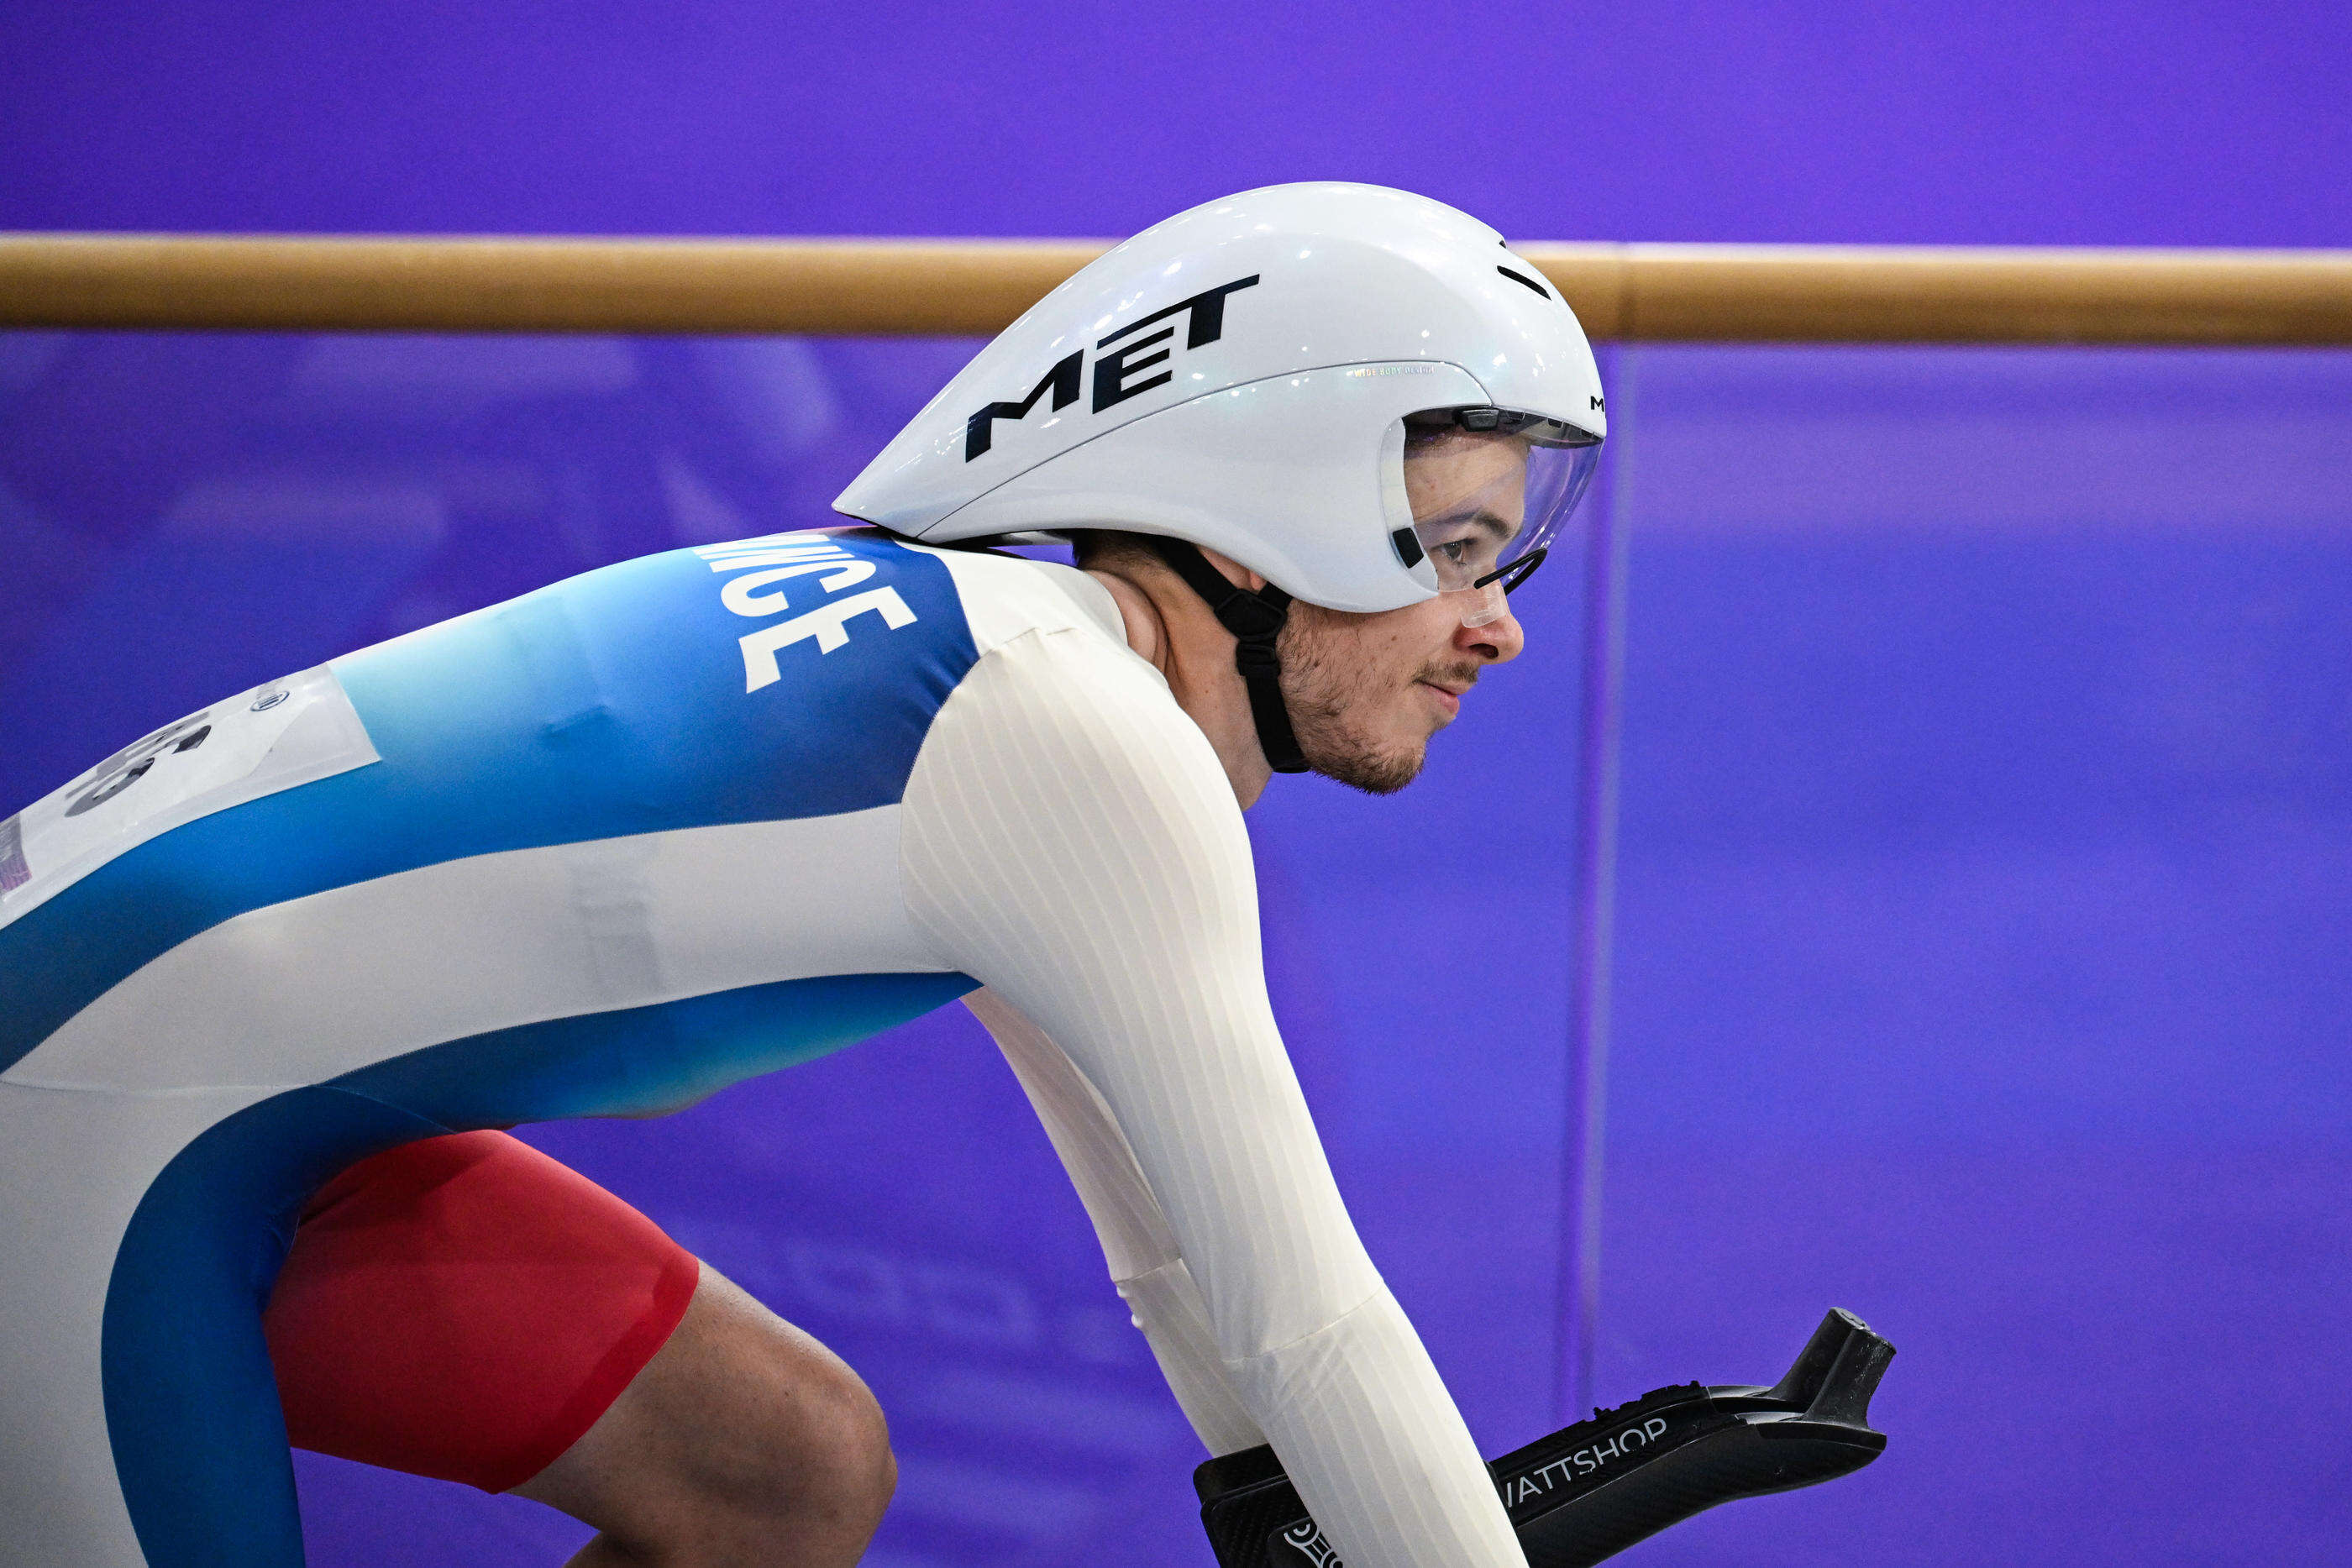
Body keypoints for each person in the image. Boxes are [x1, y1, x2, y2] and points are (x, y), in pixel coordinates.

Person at [0, 181, 1604, 1568]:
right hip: (79, 1109)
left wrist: (1316, 1507)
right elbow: (1302, 1324)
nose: (1500, 621)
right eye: (1456, 550)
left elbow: (1187, 1271)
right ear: (1257, 529)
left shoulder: (1024, 688)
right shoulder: (1078, 746)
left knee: (771, 1469)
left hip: (200, 1076)